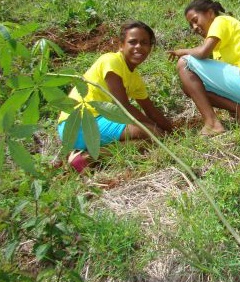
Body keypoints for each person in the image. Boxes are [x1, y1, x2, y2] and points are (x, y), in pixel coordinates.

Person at [58, 21, 174, 173]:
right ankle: (87, 158)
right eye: (132, 42)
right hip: (78, 122)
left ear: (150, 48)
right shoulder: (111, 60)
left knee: (152, 137)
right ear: (121, 45)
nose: (139, 46)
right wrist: (153, 129)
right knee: (149, 134)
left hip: (96, 122)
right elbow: (122, 106)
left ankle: (84, 157)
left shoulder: (135, 78)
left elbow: (150, 109)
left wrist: (171, 131)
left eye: (144, 43)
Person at [168, 0, 240, 137]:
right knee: (190, 87)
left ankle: (212, 124)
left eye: (195, 20)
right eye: (190, 25)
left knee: (184, 62)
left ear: (210, 13)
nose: (194, 27)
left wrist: (181, 51)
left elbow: (202, 53)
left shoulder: (221, 21)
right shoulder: (219, 45)